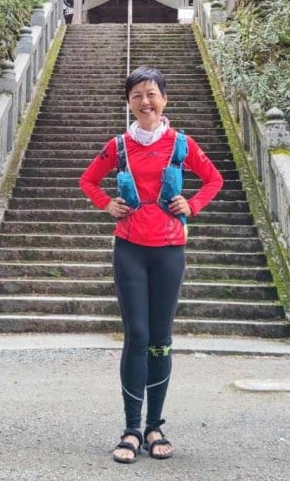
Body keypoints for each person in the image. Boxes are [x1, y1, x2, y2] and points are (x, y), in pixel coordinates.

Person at [79, 66, 223, 464]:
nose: (146, 101)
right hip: (129, 248)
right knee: (136, 334)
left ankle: (155, 426)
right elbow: (88, 180)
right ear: (128, 102)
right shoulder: (119, 146)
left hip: (169, 249)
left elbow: (214, 179)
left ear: (165, 100)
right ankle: (130, 428)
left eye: (152, 93)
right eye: (137, 95)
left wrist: (191, 205)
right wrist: (106, 204)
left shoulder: (181, 143)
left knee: (161, 335)